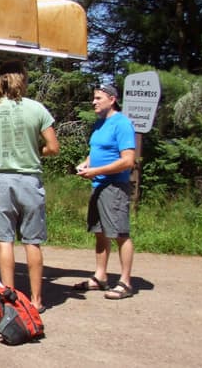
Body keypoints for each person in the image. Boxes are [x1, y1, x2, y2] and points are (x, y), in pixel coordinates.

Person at [0, 60, 59, 313]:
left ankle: (9, 298)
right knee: (32, 242)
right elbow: (53, 147)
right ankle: (36, 300)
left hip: (1, 182)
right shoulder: (38, 109)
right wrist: (34, 151)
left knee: (5, 241)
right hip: (30, 181)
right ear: (24, 80)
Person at [74, 83, 136, 300]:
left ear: (112, 99)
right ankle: (100, 277)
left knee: (119, 233)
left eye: (98, 98)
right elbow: (97, 152)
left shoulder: (122, 124)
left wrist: (96, 170)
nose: (94, 102)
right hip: (97, 186)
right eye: (94, 98)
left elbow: (128, 161)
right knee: (99, 233)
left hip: (115, 187)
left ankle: (125, 282)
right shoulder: (100, 124)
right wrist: (86, 164)